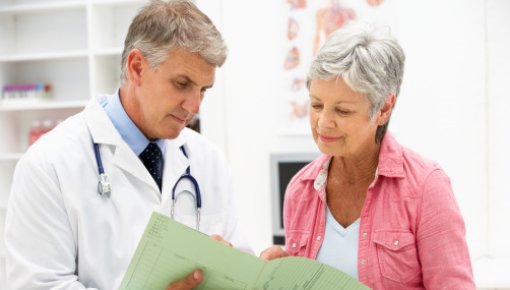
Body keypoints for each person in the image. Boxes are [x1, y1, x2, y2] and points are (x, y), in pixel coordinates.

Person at [4, 1, 250, 289]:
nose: (194, 106)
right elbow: (37, 285)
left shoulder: (208, 160)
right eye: (182, 84)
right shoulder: (50, 164)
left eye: (203, 90)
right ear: (137, 68)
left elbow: (237, 258)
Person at [261, 23, 476, 289]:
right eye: (316, 105)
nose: (323, 123)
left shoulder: (426, 187)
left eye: (342, 111)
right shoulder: (299, 190)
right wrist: (279, 275)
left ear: (384, 108)